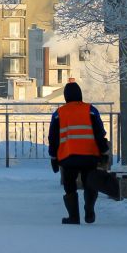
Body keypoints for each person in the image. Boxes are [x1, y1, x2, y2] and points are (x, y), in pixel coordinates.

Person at [48, 82, 110, 224]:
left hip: (68, 157)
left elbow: (53, 138)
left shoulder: (59, 114)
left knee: (70, 185)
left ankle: (73, 217)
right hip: (90, 156)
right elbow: (99, 134)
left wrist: (53, 157)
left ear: (65, 96)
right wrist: (104, 152)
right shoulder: (91, 110)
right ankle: (89, 210)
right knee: (90, 183)